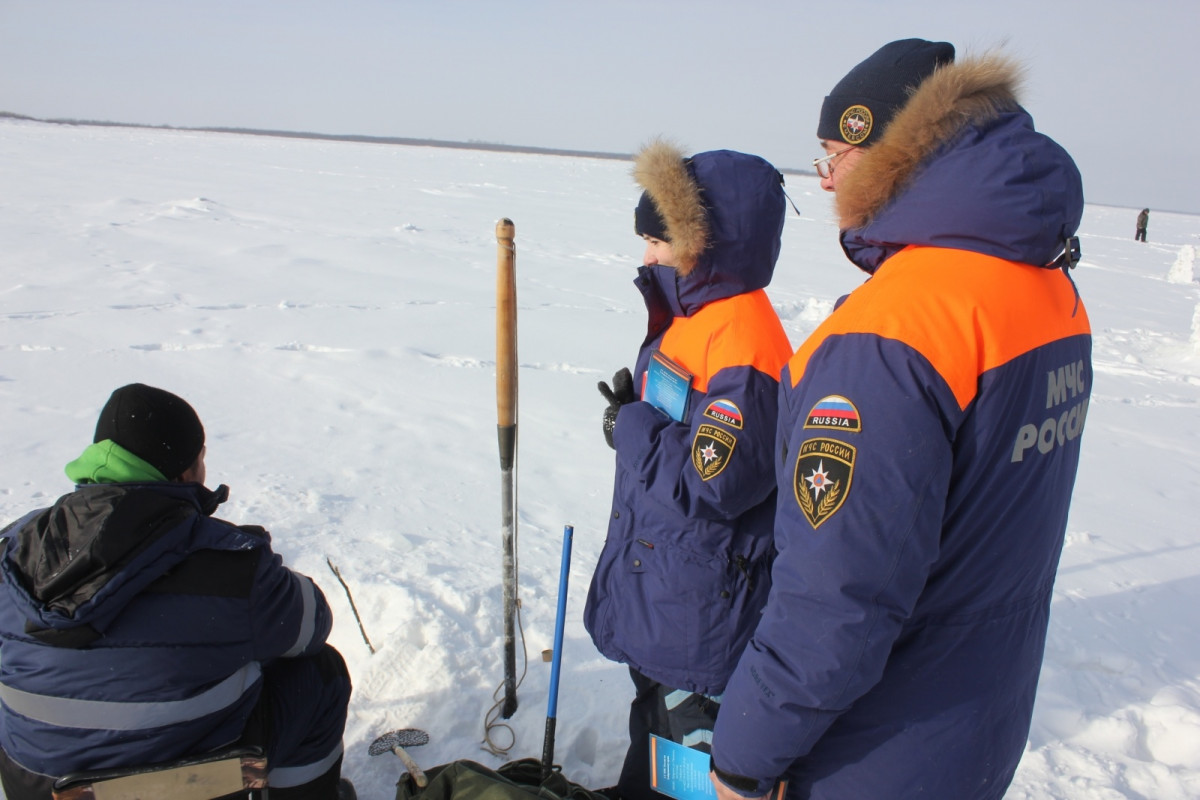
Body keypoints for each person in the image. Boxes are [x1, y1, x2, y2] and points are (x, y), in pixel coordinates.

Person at [708, 39, 1092, 800]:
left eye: (831, 156)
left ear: (885, 151)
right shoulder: (1047, 290)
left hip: (874, 747)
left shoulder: (891, 336)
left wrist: (744, 756)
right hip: (979, 719)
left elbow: (838, 599)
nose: (825, 185)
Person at [0, 384, 354, 800]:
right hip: (182, 787)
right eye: (200, 459)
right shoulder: (231, 565)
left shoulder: (13, 544)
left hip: (36, 786)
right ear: (187, 472)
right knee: (320, 674)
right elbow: (313, 625)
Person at [585, 141, 794, 800]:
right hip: (667, 591)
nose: (646, 255)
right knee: (650, 736)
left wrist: (634, 429)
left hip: (700, 615)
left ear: (706, 242)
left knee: (687, 764)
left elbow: (718, 478)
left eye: (657, 240)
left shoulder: (745, 342)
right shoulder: (693, 318)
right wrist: (638, 417)